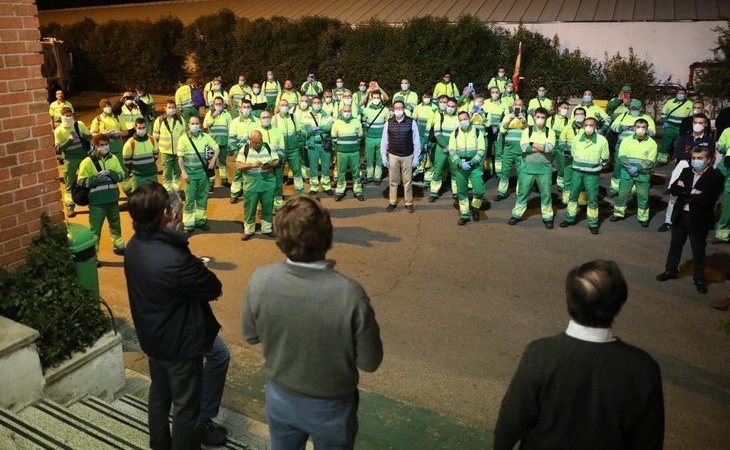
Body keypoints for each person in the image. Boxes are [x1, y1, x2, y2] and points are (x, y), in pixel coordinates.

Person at [242, 196, 383, 450]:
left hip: (281, 396)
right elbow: (370, 361)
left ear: (280, 238)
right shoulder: (349, 294)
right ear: (327, 237)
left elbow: (250, 335)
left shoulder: (261, 280)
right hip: (332, 406)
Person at [494, 260, 664, 450]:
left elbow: (511, 421)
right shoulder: (643, 369)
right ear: (620, 302)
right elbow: (649, 440)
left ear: (569, 299)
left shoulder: (540, 354)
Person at [125, 182, 227, 449]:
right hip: (179, 343)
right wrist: (187, 256)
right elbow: (212, 287)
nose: (176, 215)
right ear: (164, 216)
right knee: (185, 407)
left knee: (160, 393)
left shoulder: (135, 245)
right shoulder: (171, 258)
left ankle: (159, 443)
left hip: (153, 336)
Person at [656, 146, 724, 294]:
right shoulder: (686, 171)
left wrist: (685, 192)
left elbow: (707, 199)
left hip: (698, 219)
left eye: (700, 158)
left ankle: (699, 279)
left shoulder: (715, 176)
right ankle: (670, 271)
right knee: (675, 246)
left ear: (709, 159)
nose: (695, 161)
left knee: (698, 251)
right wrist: (693, 193)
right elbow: (674, 189)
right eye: (693, 158)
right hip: (681, 216)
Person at [657, 113, 716, 232]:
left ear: (705, 125)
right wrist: (696, 156)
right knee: (675, 194)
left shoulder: (709, 141)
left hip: (701, 171)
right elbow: (678, 154)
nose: (697, 125)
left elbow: (709, 157)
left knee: (698, 195)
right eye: (695, 122)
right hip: (683, 168)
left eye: (700, 123)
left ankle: (694, 222)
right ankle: (669, 221)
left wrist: (692, 156)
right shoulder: (684, 138)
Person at [77, 134, 126, 257]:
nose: (104, 147)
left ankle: (118, 244)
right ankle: (94, 255)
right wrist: (96, 179)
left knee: (115, 224)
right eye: (101, 145)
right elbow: (81, 181)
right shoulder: (87, 162)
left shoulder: (113, 158)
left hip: (113, 199)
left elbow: (121, 176)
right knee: (95, 230)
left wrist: (110, 173)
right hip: (97, 202)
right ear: (95, 146)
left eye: (106, 144)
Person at [559, 117, 609, 234]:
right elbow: (572, 153)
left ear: (596, 127)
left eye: (591, 125)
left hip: (592, 175)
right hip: (577, 172)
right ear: (582, 126)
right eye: (586, 125)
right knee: (573, 196)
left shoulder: (602, 141)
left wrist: (596, 167)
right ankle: (569, 218)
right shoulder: (576, 139)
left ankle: (593, 223)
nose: (588, 127)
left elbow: (605, 158)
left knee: (592, 199)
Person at [508, 107, 555, 228]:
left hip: (544, 168)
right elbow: (524, 148)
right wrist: (541, 147)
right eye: (538, 117)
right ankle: (517, 214)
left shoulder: (550, 132)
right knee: (522, 192)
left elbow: (549, 148)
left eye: (543, 117)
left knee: (546, 193)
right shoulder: (526, 131)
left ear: (546, 118)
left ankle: (547, 216)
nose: (540, 120)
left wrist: (532, 143)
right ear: (534, 117)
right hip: (527, 168)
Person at [610, 119, 658, 227]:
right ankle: (618, 213)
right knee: (622, 194)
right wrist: (630, 167)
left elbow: (650, 161)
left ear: (647, 129)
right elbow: (621, 156)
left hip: (643, 175)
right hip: (627, 173)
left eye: (643, 127)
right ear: (634, 128)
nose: (640, 129)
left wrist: (637, 168)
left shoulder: (652, 143)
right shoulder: (626, 140)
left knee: (643, 196)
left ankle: (643, 217)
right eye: (638, 126)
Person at [177, 116, 219, 233]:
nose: (195, 125)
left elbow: (217, 148)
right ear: (188, 125)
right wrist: (183, 172)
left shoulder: (206, 137)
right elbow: (180, 158)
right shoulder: (183, 139)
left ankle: (200, 221)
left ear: (200, 125)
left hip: (202, 174)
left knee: (202, 198)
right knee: (190, 199)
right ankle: (188, 224)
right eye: (192, 123)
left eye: (197, 123)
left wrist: (212, 161)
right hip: (190, 175)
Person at [236, 130, 279, 241]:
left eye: (260, 142)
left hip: (268, 183)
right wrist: (251, 165)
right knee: (250, 208)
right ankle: (249, 230)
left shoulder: (268, 147)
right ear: (250, 141)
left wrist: (269, 165)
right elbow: (238, 165)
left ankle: (267, 229)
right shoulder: (244, 149)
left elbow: (277, 161)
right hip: (251, 184)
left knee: (268, 206)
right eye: (255, 142)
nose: (258, 144)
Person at [608, 99, 656, 196]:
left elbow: (653, 132)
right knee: (618, 167)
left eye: (637, 108)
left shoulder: (647, 118)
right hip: (621, 146)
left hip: (640, 146)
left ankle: (634, 188)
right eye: (633, 108)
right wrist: (623, 127)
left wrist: (642, 130)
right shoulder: (623, 116)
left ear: (641, 108)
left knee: (637, 167)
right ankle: (615, 187)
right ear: (629, 108)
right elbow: (613, 126)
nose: (635, 110)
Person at [381, 101, 421, 212]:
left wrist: (416, 157)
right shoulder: (388, 122)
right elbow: (384, 141)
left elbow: (416, 140)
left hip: (407, 155)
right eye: (396, 108)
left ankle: (408, 203)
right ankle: (392, 202)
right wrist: (384, 156)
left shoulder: (411, 122)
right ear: (393, 109)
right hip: (393, 155)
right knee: (393, 181)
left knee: (407, 181)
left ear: (404, 109)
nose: (398, 109)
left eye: (400, 107)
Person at [448, 111, 485, 224]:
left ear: (469, 119)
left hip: (474, 166)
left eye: (465, 118)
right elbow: (452, 151)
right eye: (461, 119)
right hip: (460, 166)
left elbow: (481, 150)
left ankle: (475, 207)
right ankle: (464, 215)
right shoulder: (454, 133)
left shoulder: (478, 132)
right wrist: (460, 162)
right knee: (462, 191)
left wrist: (472, 162)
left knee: (479, 190)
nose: (463, 121)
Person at [54, 107, 91, 218]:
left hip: (84, 157)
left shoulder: (79, 124)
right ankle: (70, 207)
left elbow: (89, 137)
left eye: (70, 115)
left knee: (88, 180)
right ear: (62, 117)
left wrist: (81, 134)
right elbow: (58, 149)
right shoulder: (59, 130)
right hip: (70, 159)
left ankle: (92, 203)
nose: (69, 117)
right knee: (69, 184)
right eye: (67, 115)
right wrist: (69, 141)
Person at [426, 96, 459, 202]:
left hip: (454, 149)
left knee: (455, 171)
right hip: (441, 148)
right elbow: (437, 133)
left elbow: (459, 134)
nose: (450, 108)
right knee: (438, 169)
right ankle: (434, 192)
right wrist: (445, 146)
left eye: (452, 106)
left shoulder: (459, 117)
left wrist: (451, 147)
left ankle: (456, 192)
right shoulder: (439, 115)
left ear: (456, 107)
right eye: (448, 106)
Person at [495, 98, 528, 201]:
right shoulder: (507, 116)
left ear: (523, 107)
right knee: (504, 171)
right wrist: (510, 119)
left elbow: (530, 131)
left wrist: (523, 121)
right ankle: (501, 192)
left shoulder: (527, 117)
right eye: (516, 104)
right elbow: (502, 130)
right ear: (513, 106)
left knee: (521, 172)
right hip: (508, 149)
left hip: (521, 150)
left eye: (520, 105)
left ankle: (520, 193)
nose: (517, 106)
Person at [228, 99, 259, 203]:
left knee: (252, 173)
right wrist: (236, 152)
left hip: (253, 152)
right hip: (240, 152)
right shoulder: (235, 122)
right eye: (244, 107)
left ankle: (249, 193)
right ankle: (234, 193)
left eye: (248, 107)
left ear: (251, 108)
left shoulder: (257, 121)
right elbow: (232, 139)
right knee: (238, 173)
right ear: (240, 108)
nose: (246, 109)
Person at [331, 104, 364, 201]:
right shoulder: (337, 123)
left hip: (354, 152)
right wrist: (341, 146)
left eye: (348, 111)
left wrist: (353, 144)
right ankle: (340, 191)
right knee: (341, 172)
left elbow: (360, 135)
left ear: (351, 112)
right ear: (341, 112)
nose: (347, 113)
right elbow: (333, 137)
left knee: (356, 171)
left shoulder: (356, 122)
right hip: (341, 152)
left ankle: (358, 191)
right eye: (345, 111)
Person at [272, 99, 305, 196]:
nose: (284, 107)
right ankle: (278, 195)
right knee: (278, 174)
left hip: (294, 150)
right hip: (280, 151)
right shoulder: (275, 119)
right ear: (278, 107)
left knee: (297, 172)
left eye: (286, 105)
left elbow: (299, 131)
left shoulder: (293, 117)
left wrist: (299, 144)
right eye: (282, 105)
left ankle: (300, 193)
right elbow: (272, 134)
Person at [153, 99, 186, 193]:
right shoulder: (159, 120)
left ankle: (176, 189)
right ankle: (167, 190)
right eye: (169, 107)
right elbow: (155, 136)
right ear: (165, 108)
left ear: (176, 108)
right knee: (167, 172)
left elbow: (184, 136)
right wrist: (159, 148)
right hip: (165, 151)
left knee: (177, 172)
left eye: (173, 107)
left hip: (178, 151)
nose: (171, 109)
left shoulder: (180, 119)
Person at [255, 111, 286, 210]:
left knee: (277, 183)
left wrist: (278, 160)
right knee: (262, 184)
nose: (266, 119)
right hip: (262, 164)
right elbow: (254, 148)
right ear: (260, 119)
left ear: (271, 118)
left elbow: (282, 148)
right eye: (263, 117)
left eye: (268, 117)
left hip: (276, 162)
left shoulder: (278, 131)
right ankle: (261, 206)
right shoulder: (256, 132)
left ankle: (278, 203)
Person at [203, 96, 233, 189]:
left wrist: (229, 143)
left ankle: (224, 180)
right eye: (217, 104)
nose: (218, 106)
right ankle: (210, 183)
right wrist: (213, 117)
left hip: (223, 143)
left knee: (223, 163)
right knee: (211, 163)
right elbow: (205, 125)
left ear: (223, 105)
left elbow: (230, 129)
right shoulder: (209, 113)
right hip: (212, 144)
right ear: (213, 104)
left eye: (220, 104)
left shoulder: (227, 114)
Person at [90, 97, 128, 170]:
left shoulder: (118, 117)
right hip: (103, 147)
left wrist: (118, 133)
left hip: (118, 146)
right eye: (105, 106)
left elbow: (126, 132)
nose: (108, 107)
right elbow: (92, 133)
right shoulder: (98, 119)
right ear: (102, 108)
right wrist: (102, 134)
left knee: (120, 164)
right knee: (106, 165)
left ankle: (124, 178)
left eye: (108, 105)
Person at [360, 91, 389, 184]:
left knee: (379, 158)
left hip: (381, 138)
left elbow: (387, 124)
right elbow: (363, 122)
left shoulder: (385, 110)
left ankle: (377, 177)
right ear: (371, 98)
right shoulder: (366, 109)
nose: (376, 99)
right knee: (369, 157)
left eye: (378, 97)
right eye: (374, 97)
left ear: (380, 99)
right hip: (369, 138)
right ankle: (369, 176)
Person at [658, 87, 693, 165]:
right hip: (669, 127)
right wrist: (665, 123)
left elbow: (691, 117)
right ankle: (661, 161)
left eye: (682, 93)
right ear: (676, 94)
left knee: (681, 145)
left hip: (682, 128)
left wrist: (688, 127)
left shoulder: (690, 104)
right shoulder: (670, 102)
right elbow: (664, 113)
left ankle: (679, 161)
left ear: (685, 95)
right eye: (679, 93)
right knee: (665, 145)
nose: (680, 95)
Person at [123, 118, 158, 191]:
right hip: (138, 177)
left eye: (143, 127)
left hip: (152, 175)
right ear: (135, 128)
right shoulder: (130, 143)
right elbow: (126, 161)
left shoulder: (152, 140)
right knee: (138, 198)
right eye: (139, 128)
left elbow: (155, 156)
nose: (141, 130)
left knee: (153, 197)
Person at [549, 101, 571, 196]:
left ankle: (560, 185)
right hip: (551, 145)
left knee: (562, 167)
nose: (565, 110)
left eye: (567, 108)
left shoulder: (569, 121)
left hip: (561, 147)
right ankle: (544, 182)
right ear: (558, 108)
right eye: (564, 107)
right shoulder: (551, 119)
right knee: (546, 165)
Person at [714, 127, 730, 243]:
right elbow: (719, 147)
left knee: (727, 202)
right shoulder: (727, 131)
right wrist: (724, 148)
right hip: (724, 165)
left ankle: (722, 231)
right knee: (712, 193)